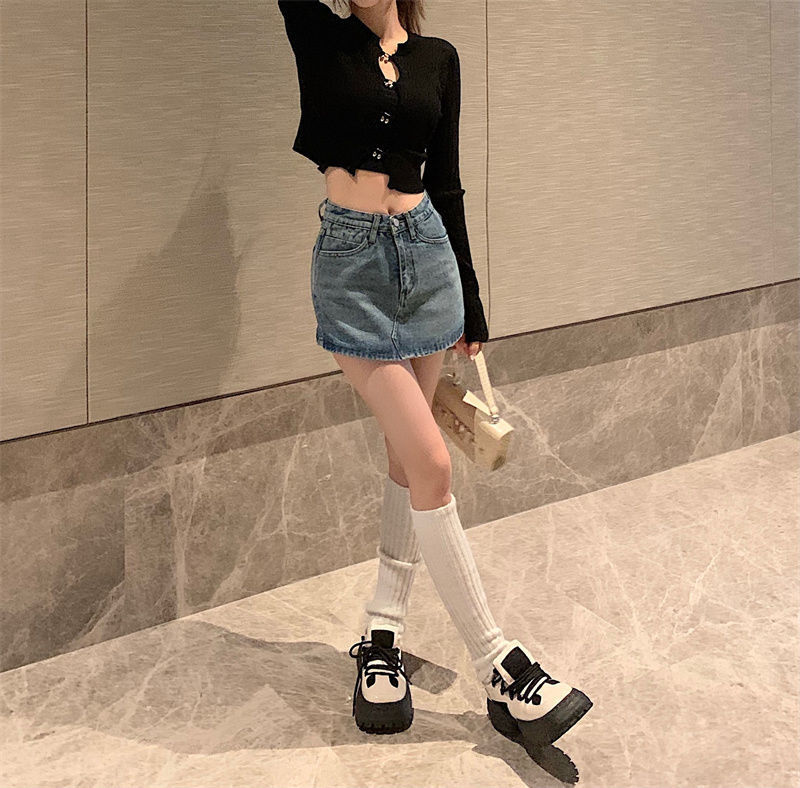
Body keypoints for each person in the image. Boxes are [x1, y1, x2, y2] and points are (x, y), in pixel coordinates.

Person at [278, 0, 592, 750]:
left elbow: (445, 182)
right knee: (432, 463)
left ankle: (382, 632)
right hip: (352, 270)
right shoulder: (320, 37)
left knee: (406, 458)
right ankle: (499, 666)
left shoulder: (438, 58)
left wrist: (471, 304)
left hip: (428, 263)